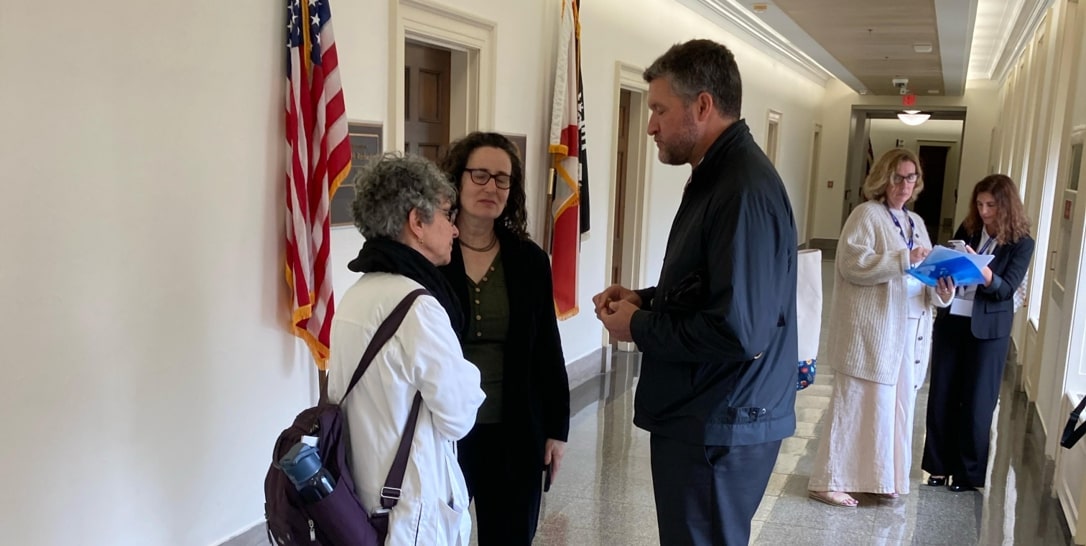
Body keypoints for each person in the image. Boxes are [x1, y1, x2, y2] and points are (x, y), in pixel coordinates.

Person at [592, 39, 799, 546]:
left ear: (702, 106)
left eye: (660, 109)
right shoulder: (719, 176)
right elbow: (712, 289)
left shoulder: (741, 188)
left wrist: (638, 327)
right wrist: (647, 300)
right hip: (712, 412)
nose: (651, 126)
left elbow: (737, 330)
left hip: (720, 420)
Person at [327, 154, 486, 546]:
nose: (453, 229)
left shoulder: (357, 295)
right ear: (416, 222)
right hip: (410, 513)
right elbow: (460, 416)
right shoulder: (417, 307)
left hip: (360, 498)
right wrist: (471, 371)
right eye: (447, 215)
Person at [436, 132, 570, 545]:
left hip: (514, 430)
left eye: (502, 179)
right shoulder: (431, 256)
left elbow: (547, 348)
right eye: (479, 175)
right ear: (457, 180)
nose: (490, 187)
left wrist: (557, 430)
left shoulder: (528, 260)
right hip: (444, 433)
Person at [807, 148, 955, 507]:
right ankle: (827, 479)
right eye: (898, 177)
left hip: (910, 328)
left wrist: (942, 291)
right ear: (882, 180)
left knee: (896, 406)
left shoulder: (916, 223)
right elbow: (852, 264)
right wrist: (904, 259)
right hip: (871, 330)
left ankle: (882, 477)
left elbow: (924, 278)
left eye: (911, 178)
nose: (905, 185)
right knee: (856, 404)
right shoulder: (866, 215)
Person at [922, 174, 1035, 492]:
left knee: (977, 401)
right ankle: (937, 466)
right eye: (980, 204)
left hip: (989, 330)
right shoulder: (970, 229)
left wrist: (984, 273)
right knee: (943, 392)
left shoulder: (1021, 243)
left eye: (991, 206)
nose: (984, 212)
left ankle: (968, 474)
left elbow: (1007, 288)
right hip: (953, 319)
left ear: (1007, 206)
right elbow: (949, 265)